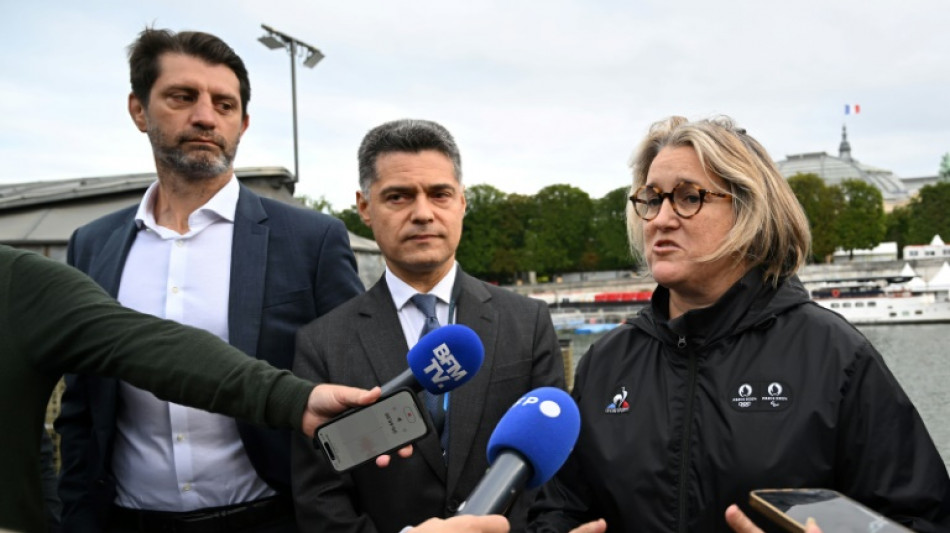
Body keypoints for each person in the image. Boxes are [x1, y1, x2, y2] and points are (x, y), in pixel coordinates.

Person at [527, 116, 950, 532]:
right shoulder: (606, 361)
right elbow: (560, 507)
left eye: (689, 197)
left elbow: (920, 518)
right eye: (652, 199)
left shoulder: (835, 356)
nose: (660, 219)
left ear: (751, 213)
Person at [56, 28, 364, 532]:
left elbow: (353, 391)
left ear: (242, 123)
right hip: (125, 520)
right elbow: (80, 408)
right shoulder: (91, 245)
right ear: (139, 109)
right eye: (182, 97)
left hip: (273, 517)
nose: (205, 116)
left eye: (224, 104)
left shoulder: (312, 240)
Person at [291, 118, 566, 532]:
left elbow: (553, 479)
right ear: (364, 207)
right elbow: (321, 498)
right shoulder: (322, 343)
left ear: (462, 203)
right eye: (399, 197)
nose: (423, 214)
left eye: (440, 194)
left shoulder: (527, 322)